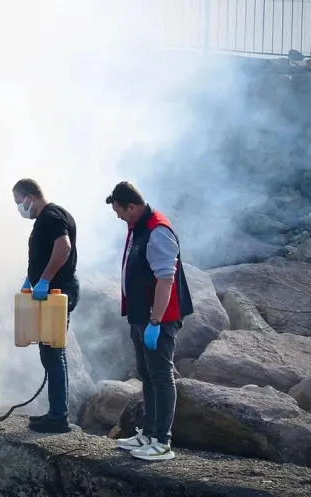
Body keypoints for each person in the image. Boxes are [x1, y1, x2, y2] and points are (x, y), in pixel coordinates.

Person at [106, 181, 193, 461]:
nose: (118, 216)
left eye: (119, 211)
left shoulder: (157, 230)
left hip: (158, 319)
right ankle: (148, 432)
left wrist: (156, 321)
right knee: (146, 373)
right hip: (140, 315)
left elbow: (166, 280)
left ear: (132, 207)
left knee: (161, 375)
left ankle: (162, 441)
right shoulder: (138, 227)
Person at [12, 178, 80, 434]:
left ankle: (59, 416)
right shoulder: (51, 216)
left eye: (19, 202)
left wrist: (44, 280)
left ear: (30, 196)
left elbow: (63, 247)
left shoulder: (51, 216)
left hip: (56, 291)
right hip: (50, 290)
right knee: (49, 350)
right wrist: (32, 278)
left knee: (53, 351)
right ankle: (55, 412)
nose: (19, 208)